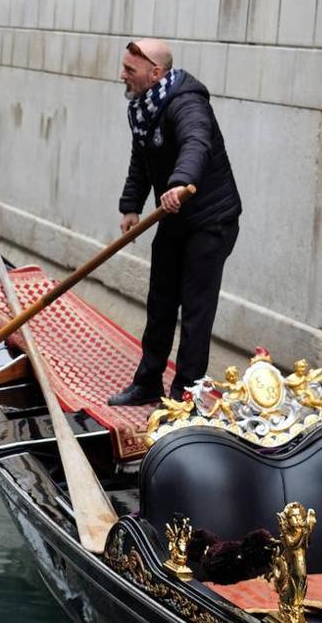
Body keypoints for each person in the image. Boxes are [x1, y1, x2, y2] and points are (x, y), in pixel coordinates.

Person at [108, 38, 241, 406]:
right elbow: (143, 159)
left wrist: (180, 182)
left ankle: (186, 393)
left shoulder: (187, 103)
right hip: (176, 215)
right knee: (160, 301)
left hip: (212, 221)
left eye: (129, 70)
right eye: (124, 67)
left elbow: (196, 144)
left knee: (196, 310)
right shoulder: (143, 108)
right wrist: (130, 205)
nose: (122, 75)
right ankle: (148, 383)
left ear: (156, 73)